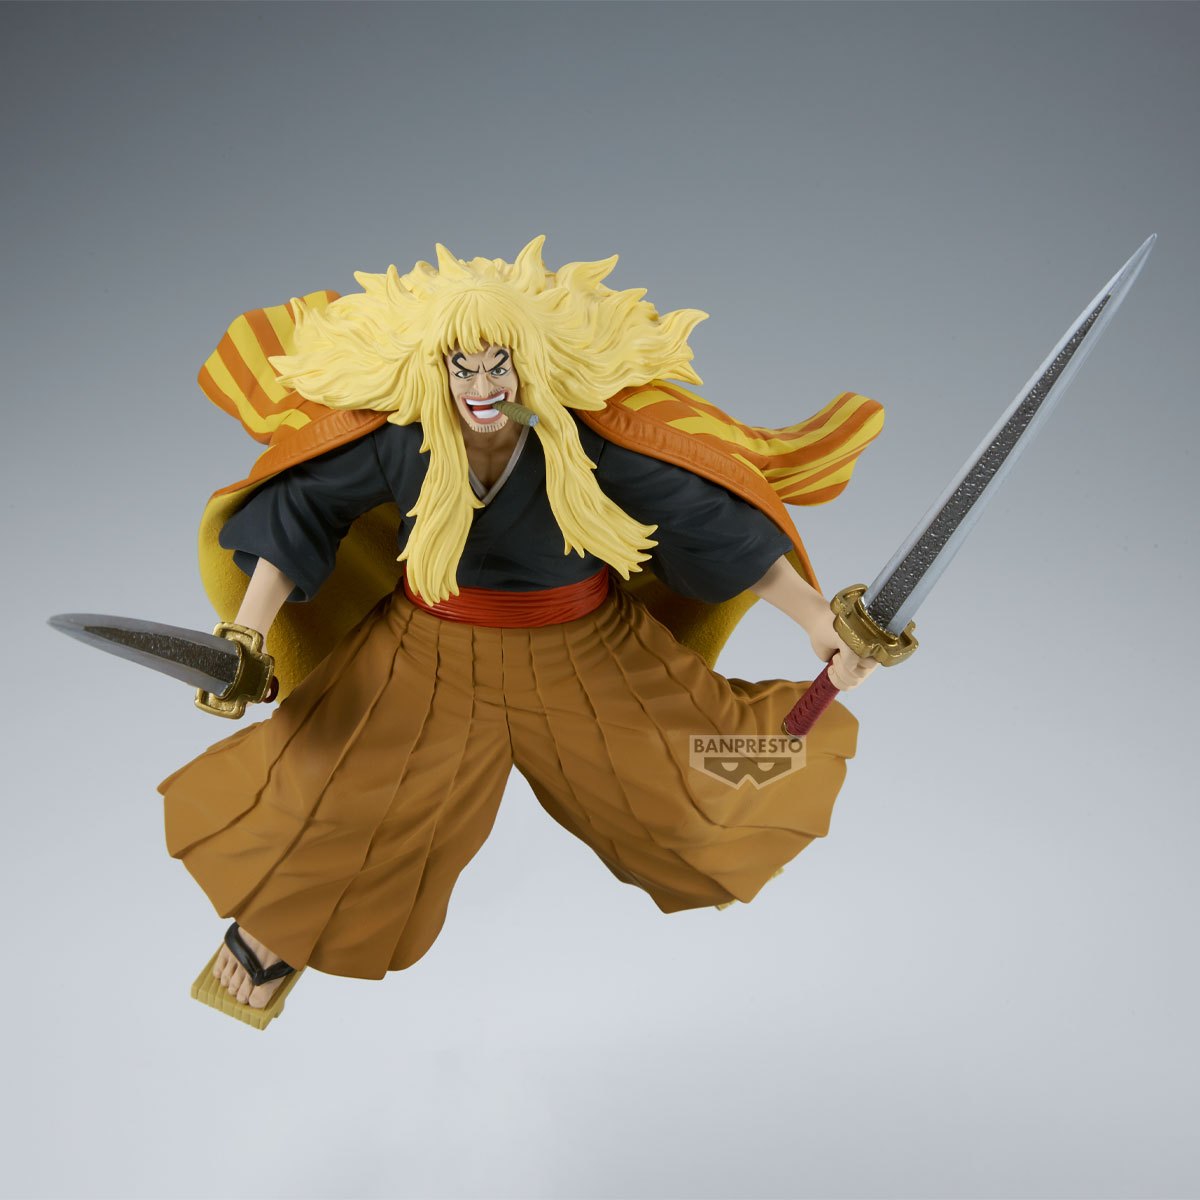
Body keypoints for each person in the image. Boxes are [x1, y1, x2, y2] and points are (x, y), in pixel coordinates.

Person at [159, 237, 884, 1023]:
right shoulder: (402, 436)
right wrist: (246, 635)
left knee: (689, 784)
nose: (480, 386)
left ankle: (759, 792)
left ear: (525, 365)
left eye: (496, 366)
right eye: (462, 368)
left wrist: (816, 618)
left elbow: (711, 522)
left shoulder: (582, 438)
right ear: (435, 370)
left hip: (586, 650)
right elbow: (298, 513)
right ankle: (279, 923)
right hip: (424, 650)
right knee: (338, 788)